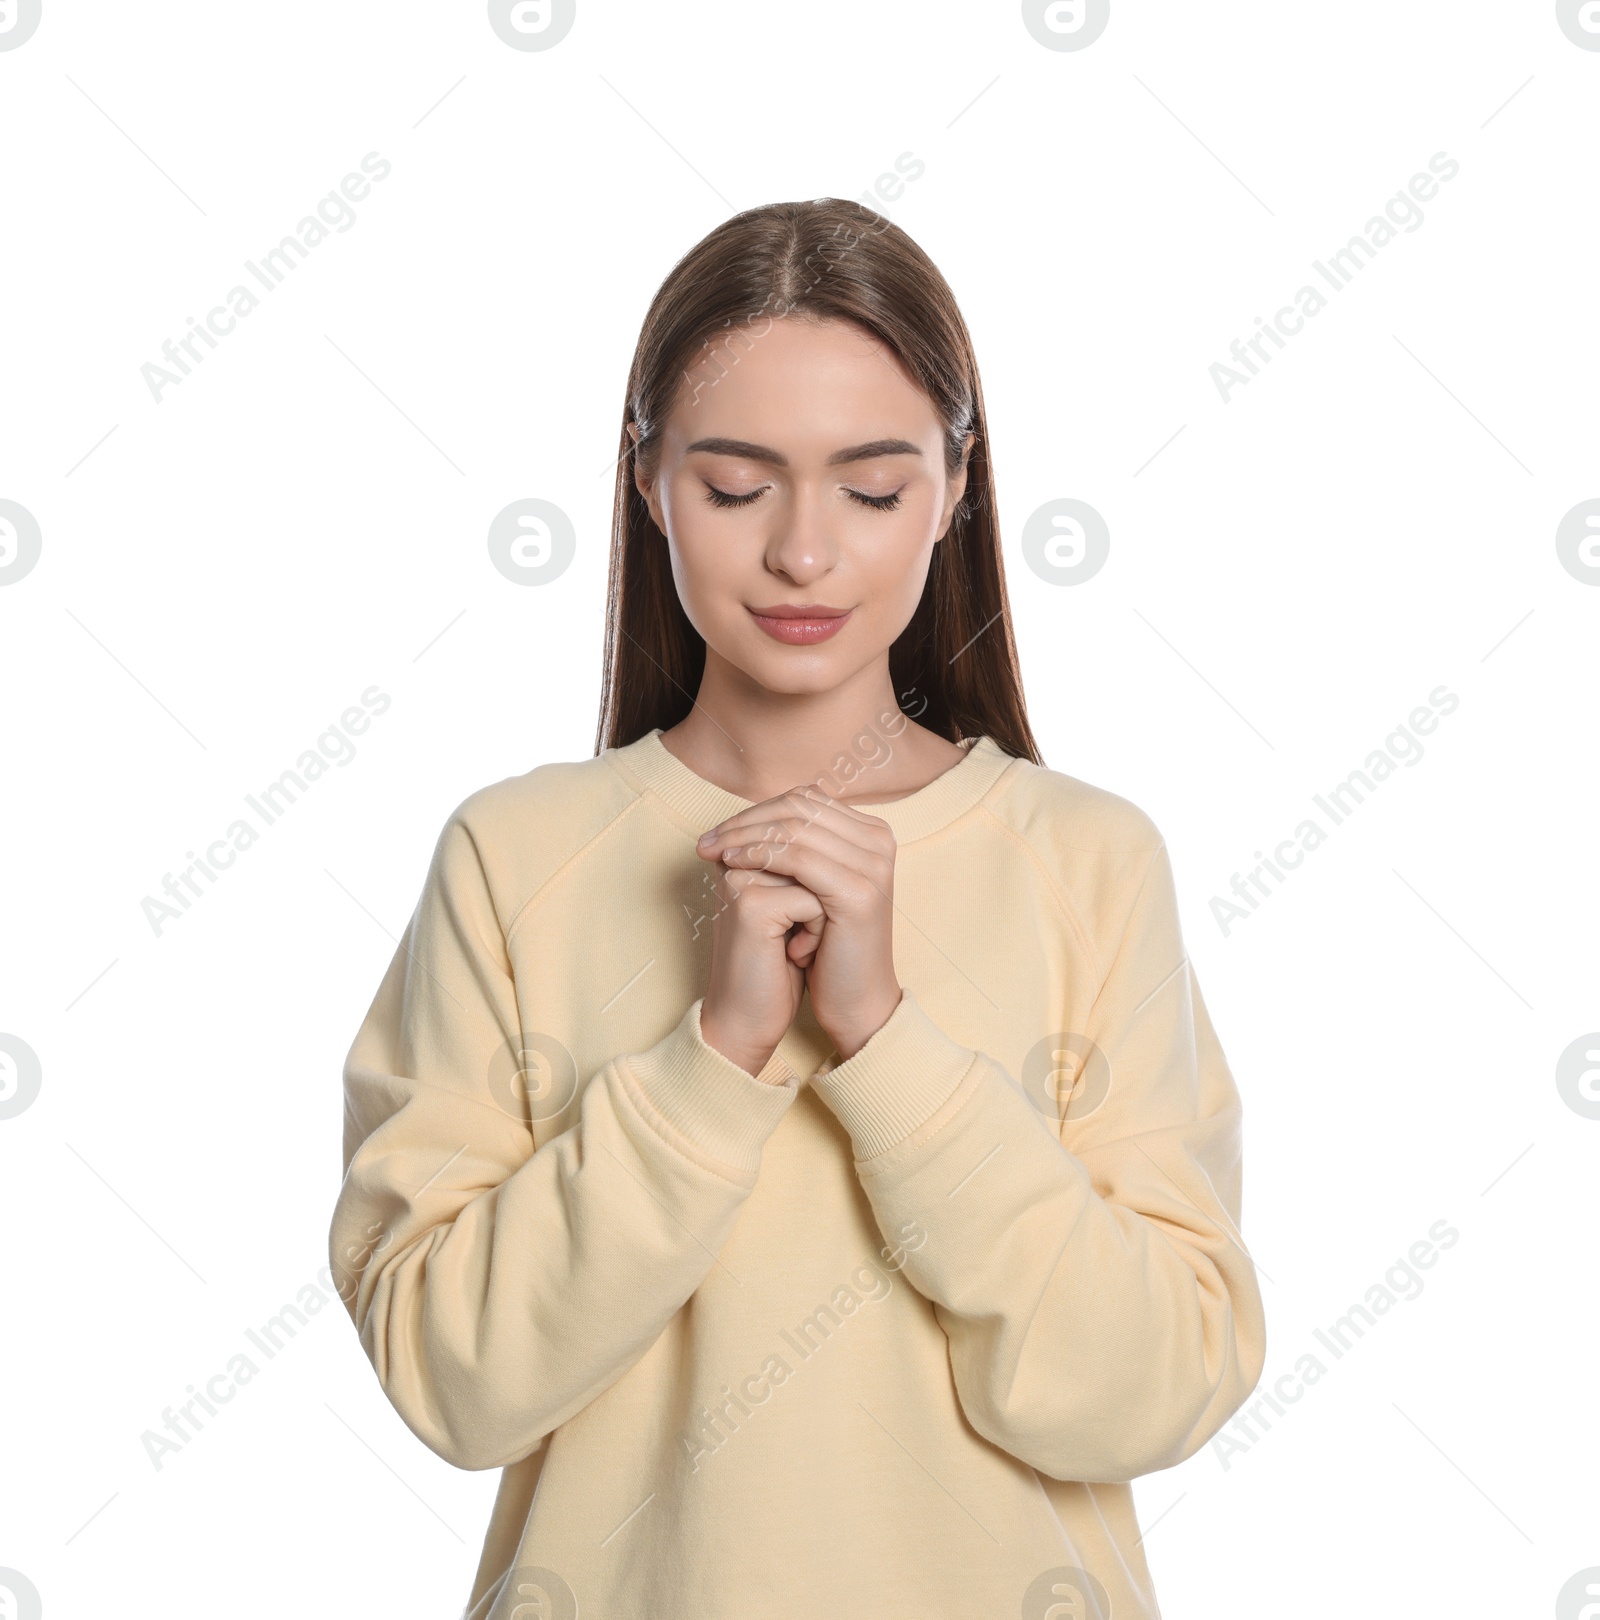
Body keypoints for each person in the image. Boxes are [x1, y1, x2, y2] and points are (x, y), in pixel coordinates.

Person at [328, 197, 1266, 1620]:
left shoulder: (1089, 862)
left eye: (873, 490)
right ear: (646, 482)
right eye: (736, 484)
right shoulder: (515, 859)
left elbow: (1157, 1388)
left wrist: (887, 1045)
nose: (805, 555)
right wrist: (716, 1058)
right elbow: (458, 1387)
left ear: (957, 487)